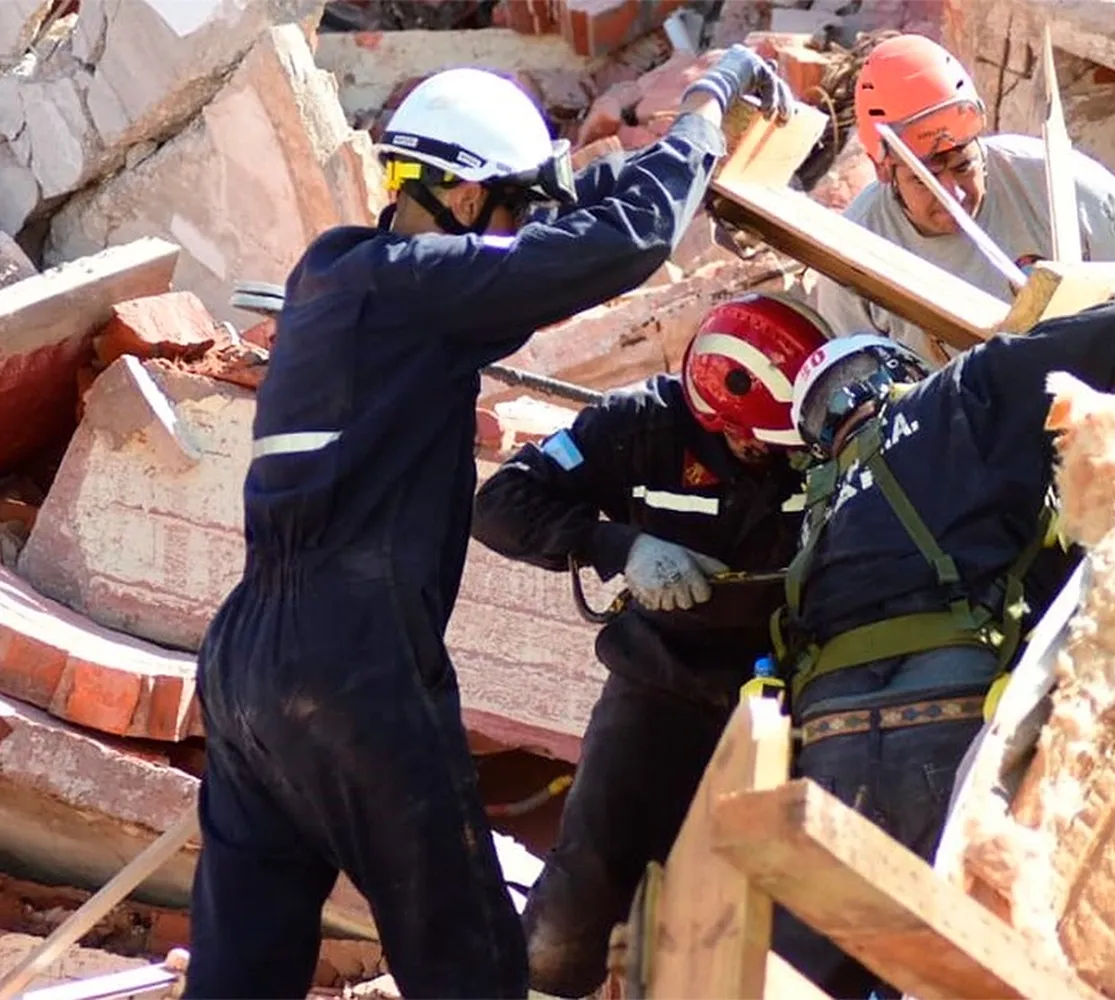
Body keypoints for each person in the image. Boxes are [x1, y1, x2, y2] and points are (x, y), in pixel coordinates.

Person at [185, 51, 794, 1000]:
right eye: (515, 208)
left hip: (243, 665)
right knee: (469, 966)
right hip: (360, 666)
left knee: (242, 973)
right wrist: (705, 115)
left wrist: (595, 180)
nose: (520, 233)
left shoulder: (337, 279)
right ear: (467, 200)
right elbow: (624, 243)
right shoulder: (417, 289)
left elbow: (565, 241)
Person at [769, 298, 1115, 997]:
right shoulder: (958, 391)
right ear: (903, 370)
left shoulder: (815, 507)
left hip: (830, 748)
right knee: (974, 966)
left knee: (812, 977)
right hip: (950, 723)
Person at [469, 292, 830, 997]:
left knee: (785, 894)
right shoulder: (637, 426)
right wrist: (621, 545)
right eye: (754, 442)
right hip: (661, 680)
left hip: (794, 686)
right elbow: (501, 503)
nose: (771, 456)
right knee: (593, 868)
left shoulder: (823, 429)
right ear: (711, 413)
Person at [813, 33, 1115, 365]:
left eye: (963, 165)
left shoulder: (1052, 178)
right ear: (884, 171)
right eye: (926, 179)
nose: (952, 193)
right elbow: (853, 380)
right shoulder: (854, 252)